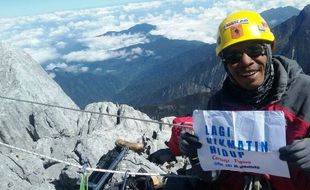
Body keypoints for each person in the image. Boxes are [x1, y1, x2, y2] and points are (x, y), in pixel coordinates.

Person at [179, 10, 310, 190]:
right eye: (233, 56)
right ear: (225, 64)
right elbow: (215, 176)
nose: (246, 61)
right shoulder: (217, 107)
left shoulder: (305, 94)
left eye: (255, 50)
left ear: (269, 51)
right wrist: (197, 155)